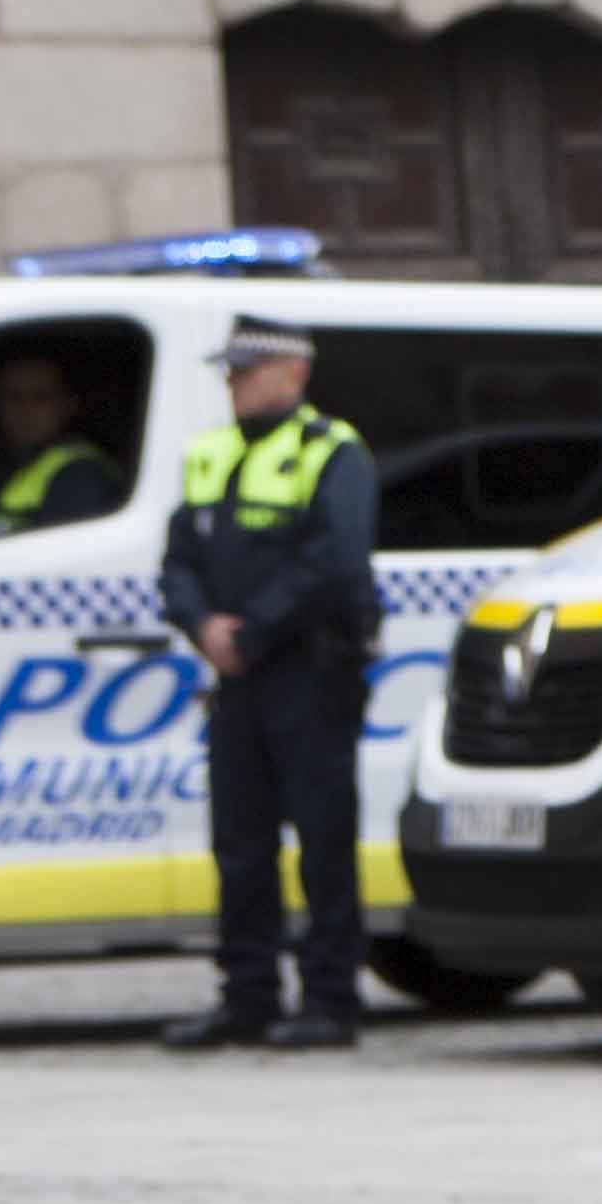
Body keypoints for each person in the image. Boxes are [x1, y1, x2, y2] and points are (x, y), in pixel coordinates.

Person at [155, 315, 376, 1052]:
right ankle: (246, 997)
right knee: (240, 845)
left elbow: (336, 560)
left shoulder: (332, 452)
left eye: (248, 370)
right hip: (238, 678)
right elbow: (178, 559)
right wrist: (201, 626)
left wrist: (250, 632)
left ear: (294, 373)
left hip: (310, 670)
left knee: (322, 841)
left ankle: (330, 1000)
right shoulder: (210, 452)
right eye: (230, 371)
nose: (234, 383)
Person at [0, 351, 123, 536]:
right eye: (13, 397)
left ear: (67, 405)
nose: (24, 409)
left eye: (40, 398)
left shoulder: (81, 473)